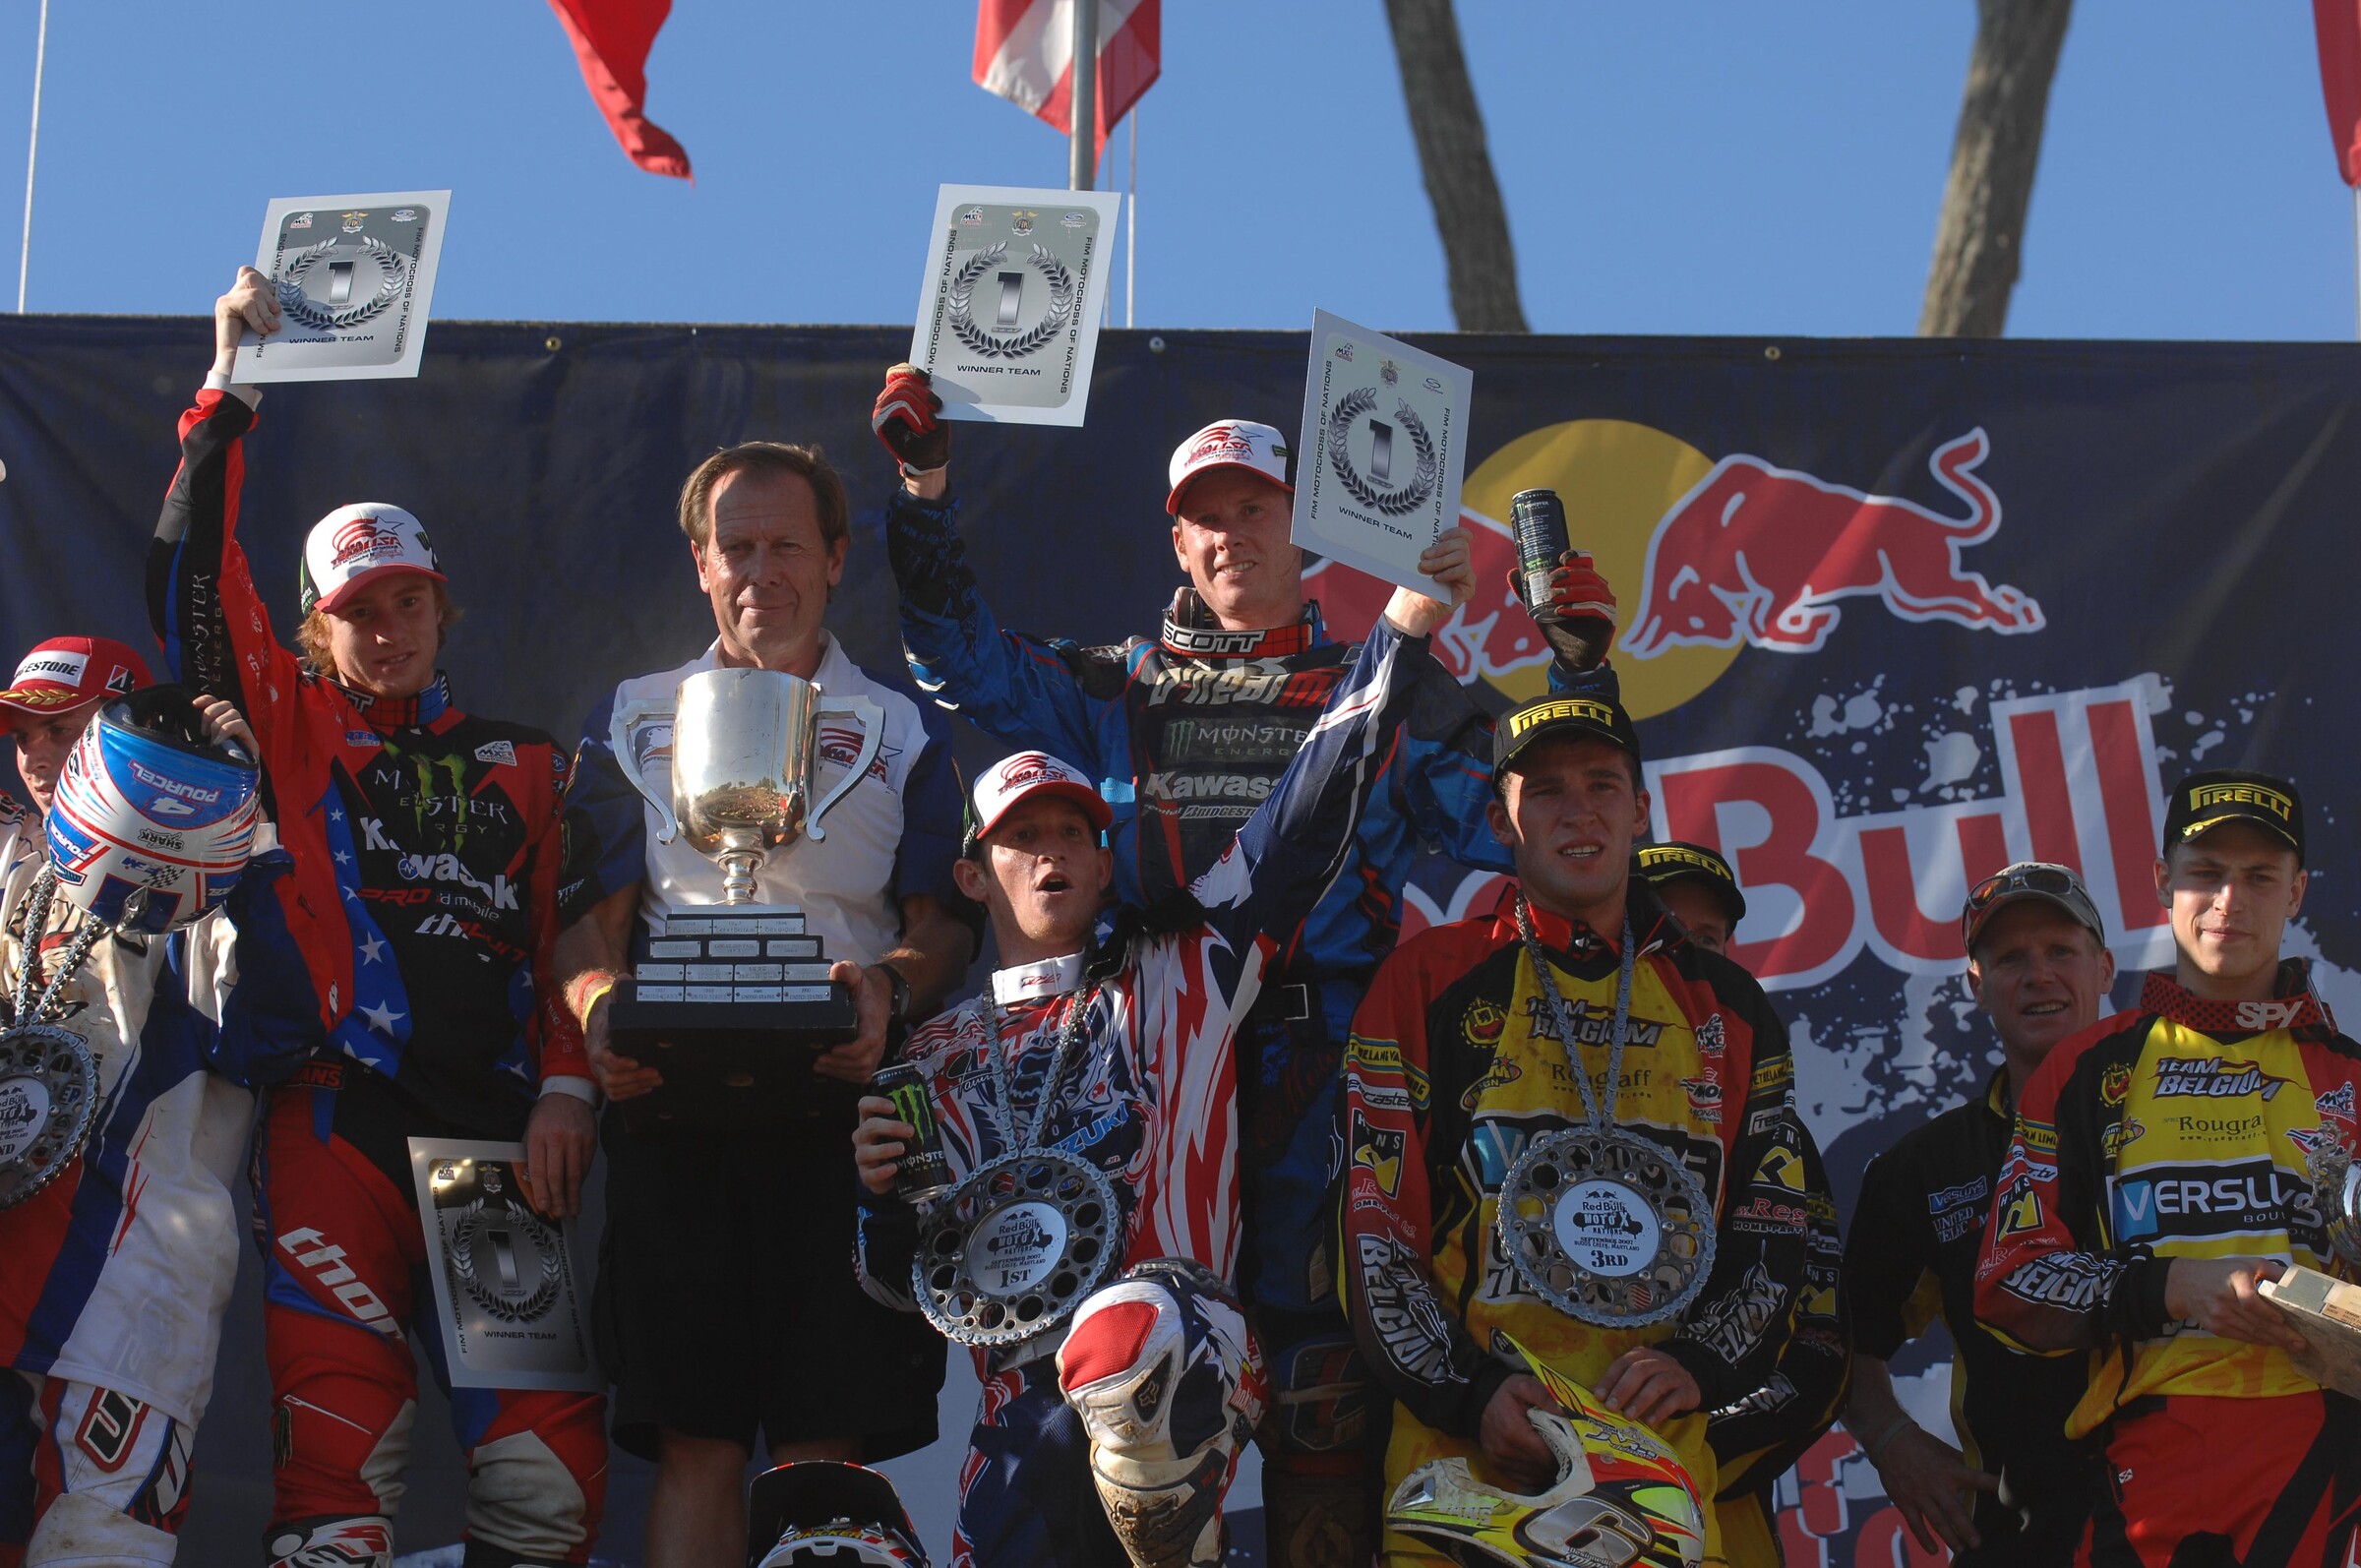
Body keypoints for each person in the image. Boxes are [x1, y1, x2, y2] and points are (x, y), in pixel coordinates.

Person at [873, 364, 1617, 1564]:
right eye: (1206, 514)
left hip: (1332, 1067)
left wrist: (1579, 671)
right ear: (1177, 540)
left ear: (1297, 525)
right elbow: (956, 657)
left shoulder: (1390, 685)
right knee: (1151, 1400)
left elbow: (1530, 833)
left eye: (1253, 508)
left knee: (1326, 1397)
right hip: (1144, 1071)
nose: (1231, 534)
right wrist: (921, 489)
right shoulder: (1117, 686)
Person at [853, 561, 1469, 1568]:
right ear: (973, 874)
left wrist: (1400, 632)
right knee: (1032, 1456)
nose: (1050, 852)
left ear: (1107, 862)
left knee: (1135, 1333)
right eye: (1022, 839)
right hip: (1026, 1390)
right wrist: (881, 1201)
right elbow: (899, 1284)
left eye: (1072, 833)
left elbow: (1308, 811)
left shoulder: (1186, 965)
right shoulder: (929, 1057)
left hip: (1187, 1348)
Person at [149, 271, 606, 1568]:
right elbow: (191, 574)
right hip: (336, 1127)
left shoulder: (528, 762)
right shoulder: (293, 725)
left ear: (442, 603)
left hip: (498, 1141)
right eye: (357, 611)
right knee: (336, 1499)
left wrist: (570, 1087)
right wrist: (228, 381)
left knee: (546, 1494)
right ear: (315, 629)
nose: (388, 627)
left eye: (407, 600)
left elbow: (566, 943)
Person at [549, 437, 978, 1568]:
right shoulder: (637, 715)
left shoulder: (899, 728)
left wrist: (887, 987)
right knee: (694, 1439)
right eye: (735, 545)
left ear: (838, 558)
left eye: (787, 543)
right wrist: (599, 1007)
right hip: (671, 1115)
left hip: (843, 1125)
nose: (761, 570)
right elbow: (588, 917)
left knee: (820, 1445)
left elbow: (945, 922)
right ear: (700, 562)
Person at [1341, 692, 1811, 1567]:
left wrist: (1702, 1366)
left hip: (1657, 1484)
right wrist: (1470, 1393)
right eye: (1546, 790)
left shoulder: (1730, 1006)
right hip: (1465, 1485)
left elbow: (1772, 1232)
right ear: (1501, 820)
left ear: (1640, 810)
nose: (1579, 809)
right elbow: (1376, 1232)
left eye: (1602, 784)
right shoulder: (1428, 981)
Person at [1975, 772, 2361, 1566]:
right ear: (2161, 882)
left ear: (2297, 894)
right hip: (2143, 1453)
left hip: (2321, 1441)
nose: (2229, 900)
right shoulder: (2085, 1069)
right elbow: (2007, 1279)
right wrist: (2167, 1286)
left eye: (2258, 877)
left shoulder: (2351, 1078)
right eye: (2205, 872)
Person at [0, 639, 272, 1566]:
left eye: (62, 730)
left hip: (131, 1297)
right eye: (22, 734)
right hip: (10, 1268)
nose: (37, 756)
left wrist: (247, 824)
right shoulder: (11, 866)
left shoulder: (215, 893)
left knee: (96, 1550)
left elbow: (276, 1030)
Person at [1842, 863, 2114, 1563]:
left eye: (2061, 952)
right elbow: (1838, 1340)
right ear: (1976, 985)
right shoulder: (1927, 1169)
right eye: (2010, 958)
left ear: (2105, 968)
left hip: (2194, 1516)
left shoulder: (2185, 1124)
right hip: (2022, 1539)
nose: (2039, 975)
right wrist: (1891, 1440)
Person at [1637, 843, 1851, 1566]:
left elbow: (1819, 1348)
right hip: (1529, 1492)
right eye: (1667, 932)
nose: (1691, 955)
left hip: (1718, 1507)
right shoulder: (1526, 1096)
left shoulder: (1774, 1132)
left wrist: (1672, 1444)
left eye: (1708, 940)